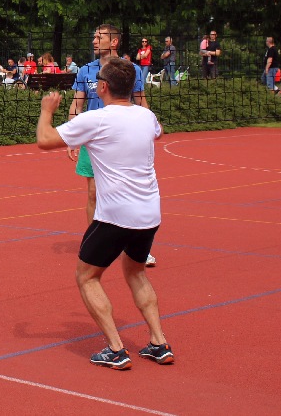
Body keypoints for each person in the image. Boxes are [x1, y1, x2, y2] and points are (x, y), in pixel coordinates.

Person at [37, 57, 172, 369]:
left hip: (116, 215)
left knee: (86, 277)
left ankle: (115, 348)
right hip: (149, 213)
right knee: (135, 270)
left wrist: (46, 112)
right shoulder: (146, 116)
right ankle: (158, 342)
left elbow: (45, 141)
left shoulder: (96, 120)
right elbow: (158, 131)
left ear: (103, 87)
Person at [69, 24, 155, 267]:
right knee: (94, 193)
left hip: (122, 140)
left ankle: (136, 247)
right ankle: (96, 245)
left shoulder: (131, 70)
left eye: (100, 37)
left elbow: (141, 102)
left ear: (114, 42)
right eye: (94, 36)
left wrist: (148, 131)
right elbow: (77, 104)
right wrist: (73, 135)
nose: (95, 40)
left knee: (128, 192)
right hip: (93, 140)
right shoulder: (86, 71)